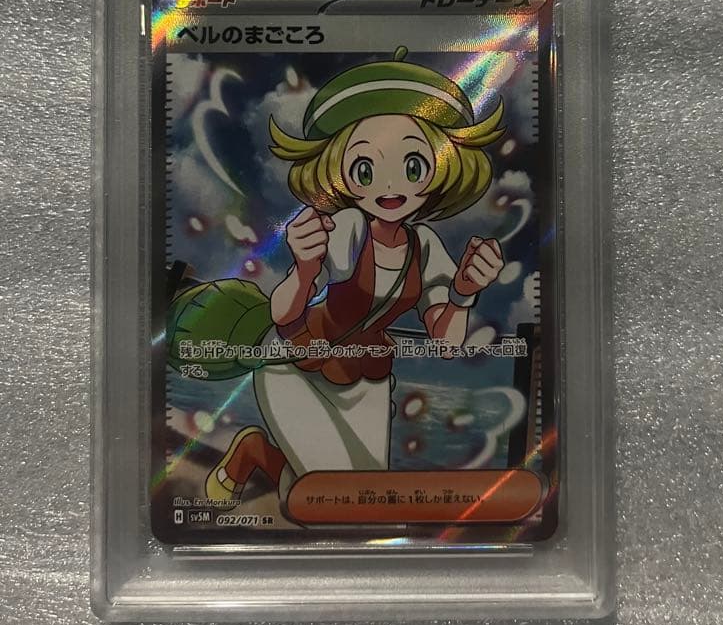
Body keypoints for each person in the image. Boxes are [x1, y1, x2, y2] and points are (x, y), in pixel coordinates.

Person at [204, 47, 505, 506]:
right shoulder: (347, 228)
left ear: (441, 169)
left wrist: (464, 292)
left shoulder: (426, 247)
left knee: (359, 498)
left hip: (368, 380)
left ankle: (255, 453)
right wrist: (305, 269)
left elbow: (445, 342)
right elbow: (283, 314)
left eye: (412, 166)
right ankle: (255, 454)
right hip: (296, 364)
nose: (391, 186)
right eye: (366, 169)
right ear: (339, 171)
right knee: (327, 493)